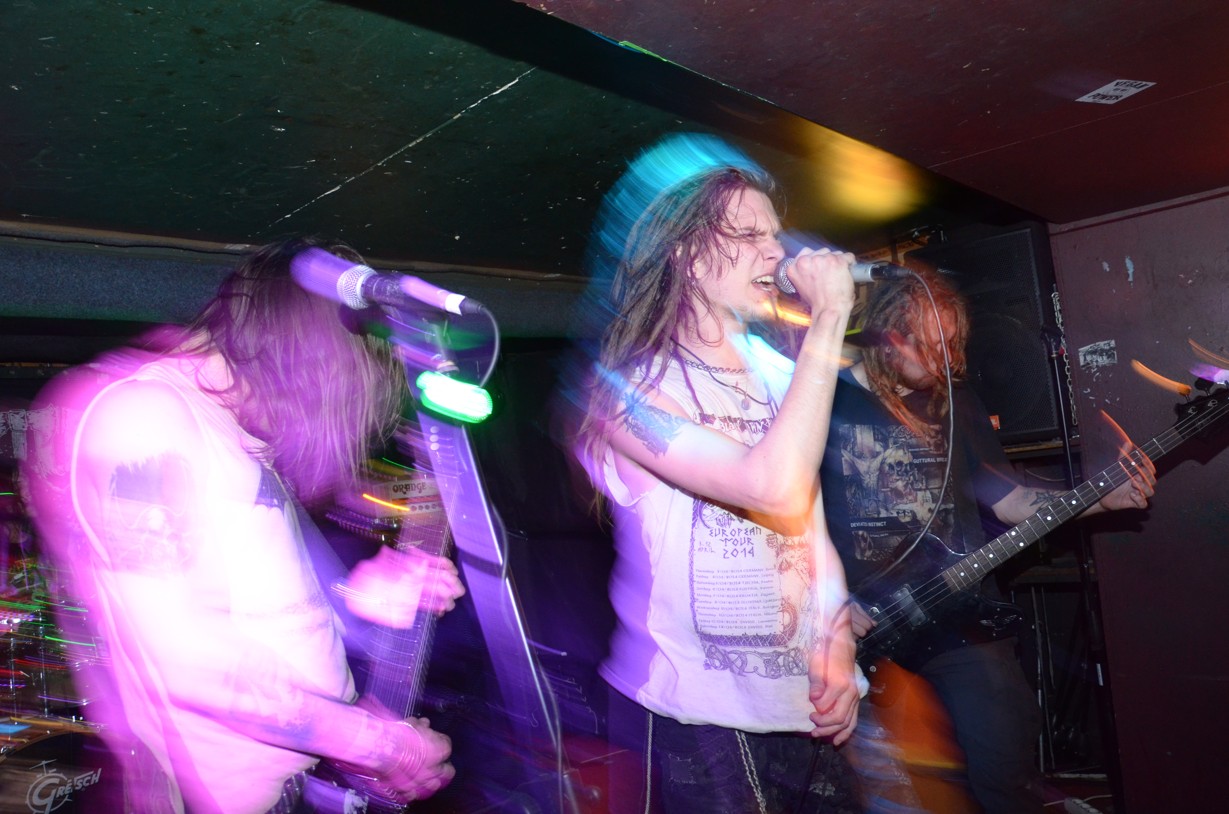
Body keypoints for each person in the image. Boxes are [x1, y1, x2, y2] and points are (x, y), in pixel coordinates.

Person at [21, 237, 465, 813]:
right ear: (305, 367)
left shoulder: (234, 430)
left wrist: (362, 601)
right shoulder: (141, 416)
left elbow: (260, 613)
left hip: (311, 781)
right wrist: (380, 746)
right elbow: (186, 660)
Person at [572, 134, 863, 813]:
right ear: (687, 253)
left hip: (804, 704)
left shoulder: (784, 373)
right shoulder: (628, 393)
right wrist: (828, 318)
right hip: (694, 717)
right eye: (749, 234)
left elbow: (810, 529)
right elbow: (771, 488)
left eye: (775, 234)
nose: (776, 252)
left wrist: (840, 642)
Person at [818, 268, 1156, 813]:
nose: (943, 359)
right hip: (860, 624)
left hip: (956, 612)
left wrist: (1099, 500)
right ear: (886, 336)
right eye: (928, 345)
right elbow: (788, 514)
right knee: (878, 790)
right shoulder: (826, 401)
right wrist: (827, 596)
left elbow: (1011, 501)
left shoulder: (958, 403)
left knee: (1003, 766)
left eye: (950, 344)